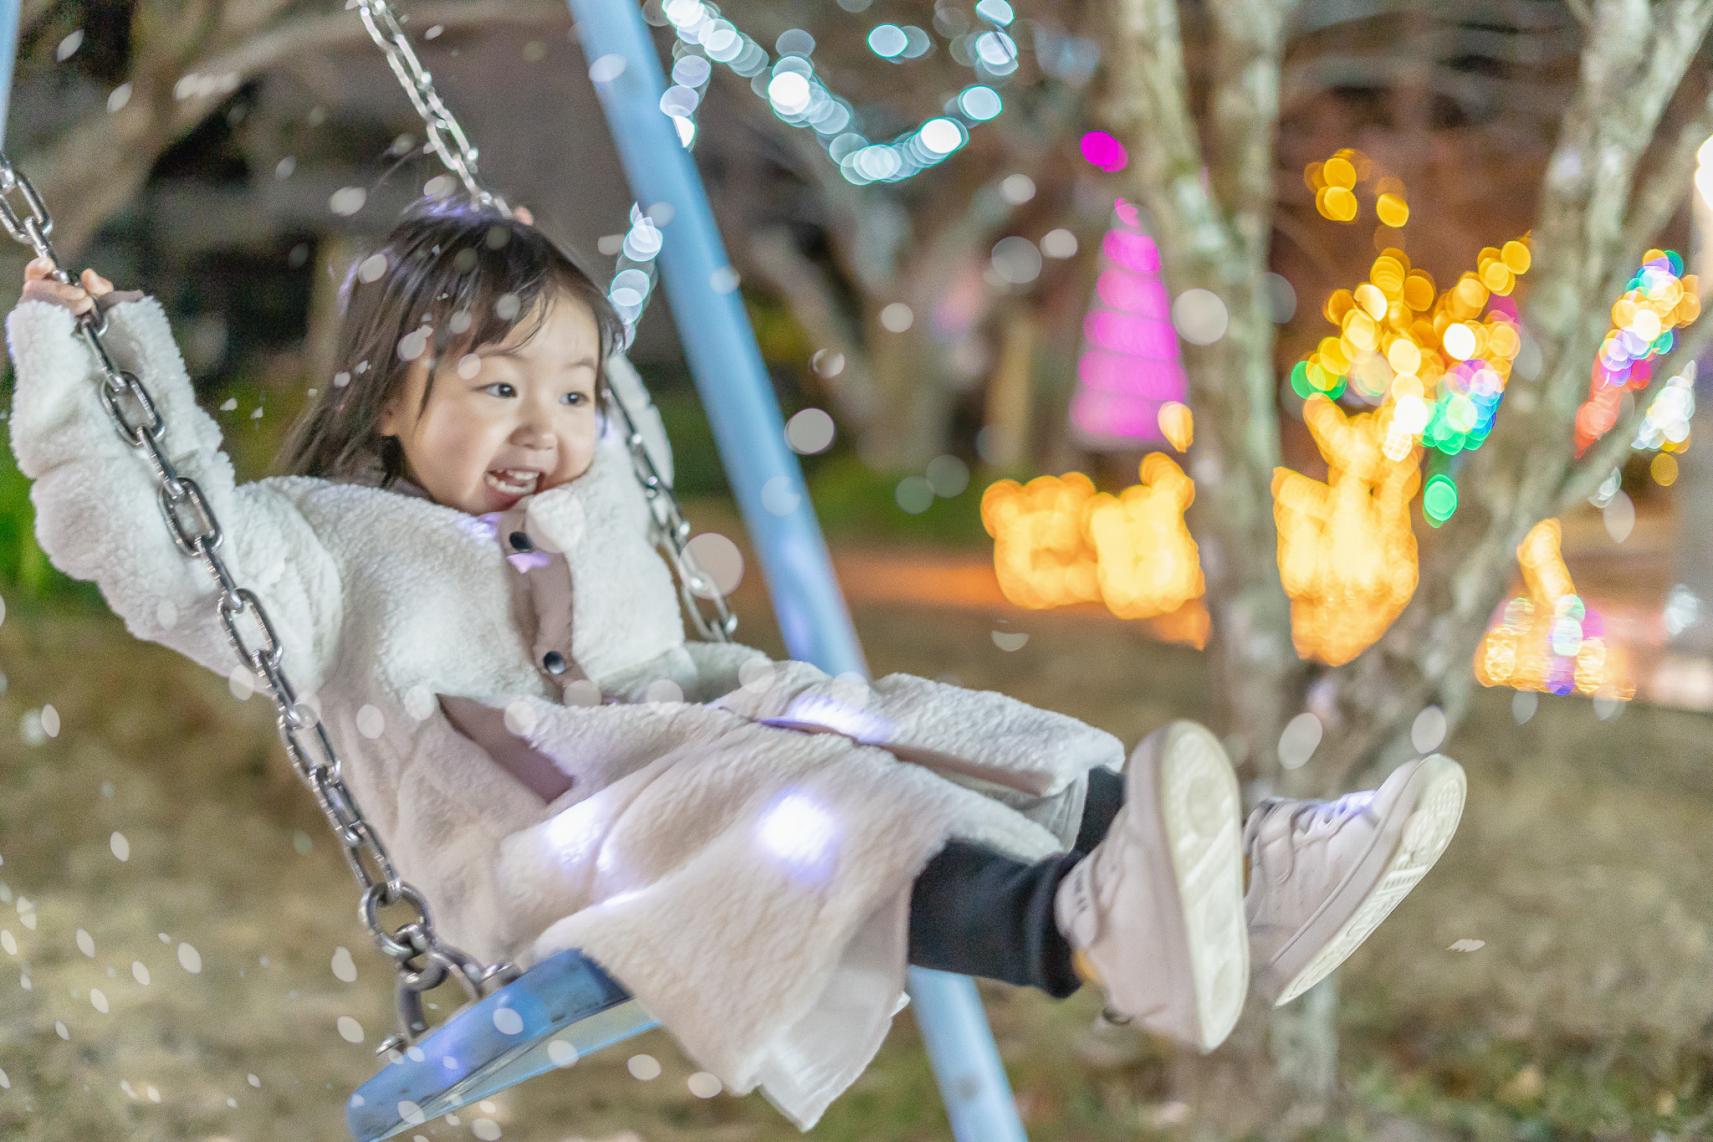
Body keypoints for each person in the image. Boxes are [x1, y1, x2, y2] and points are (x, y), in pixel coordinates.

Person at [7, 196, 1465, 1129]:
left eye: (565, 390)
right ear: (391, 398)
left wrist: (559, 310)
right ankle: (1082, 923)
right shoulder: (319, 550)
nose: (543, 423)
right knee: (815, 798)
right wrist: (92, 368)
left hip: (689, 742)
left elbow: (617, 432)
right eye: (494, 387)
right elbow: (152, 544)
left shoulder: (581, 490)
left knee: (921, 725)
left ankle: (1260, 879)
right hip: (544, 843)